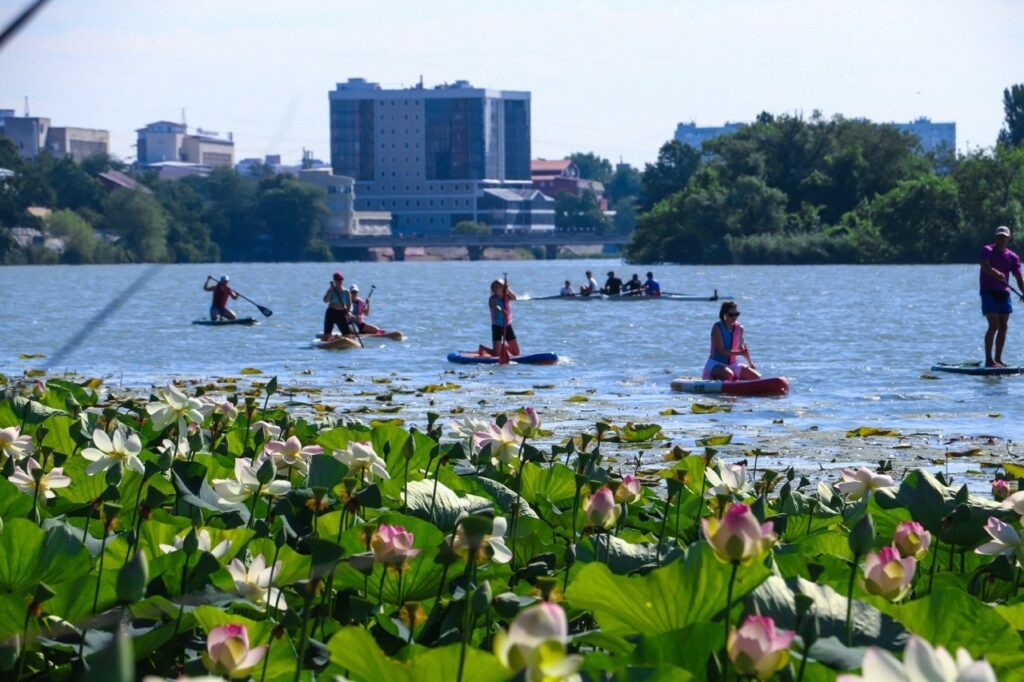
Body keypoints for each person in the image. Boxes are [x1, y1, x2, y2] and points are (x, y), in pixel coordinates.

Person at [980, 226, 1024, 367]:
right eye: (999, 236)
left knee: (1003, 326)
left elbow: (1018, 278)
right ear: (995, 237)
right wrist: (995, 272)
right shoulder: (987, 250)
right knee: (994, 325)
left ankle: (998, 359)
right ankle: (989, 359)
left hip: (1003, 293)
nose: (1001, 239)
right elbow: (985, 266)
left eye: (1004, 236)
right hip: (988, 292)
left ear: (1009, 239)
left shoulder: (1013, 257)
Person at [703, 300, 761, 381]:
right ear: (725, 314)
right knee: (729, 374)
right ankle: (719, 380)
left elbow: (742, 349)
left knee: (756, 377)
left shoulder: (739, 328)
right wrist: (740, 353)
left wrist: (750, 363)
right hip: (716, 364)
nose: (734, 317)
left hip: (733, 365)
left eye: (736, 314)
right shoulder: (717, 328)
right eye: (731, 315)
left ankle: (737, 382)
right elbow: (721, 351)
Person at [481, 278, 520, 357]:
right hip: (497, 327)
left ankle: (502, 346)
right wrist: (501, 310)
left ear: (502, 288)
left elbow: (514, 298)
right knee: (496, 354)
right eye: (493, 287)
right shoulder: (492, 299)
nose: (494, 289)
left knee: (516, 353)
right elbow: (495, 306)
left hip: (507, 326)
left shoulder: (507, 297)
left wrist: (507, 289)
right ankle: (483, 348)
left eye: (497, 287)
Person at [322, 271, 355, 341]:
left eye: (341, 279)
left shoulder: (346, 291)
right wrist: (331, 289)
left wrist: (349, 312)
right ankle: (329, 339)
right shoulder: (331, 290)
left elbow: (350, 304)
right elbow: (325, 300)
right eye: (337, 279)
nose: (339, 281)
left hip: (342, 313)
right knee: (326, 336)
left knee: (348, 336)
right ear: (334, 280)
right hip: (331, 313)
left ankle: (337, 338)